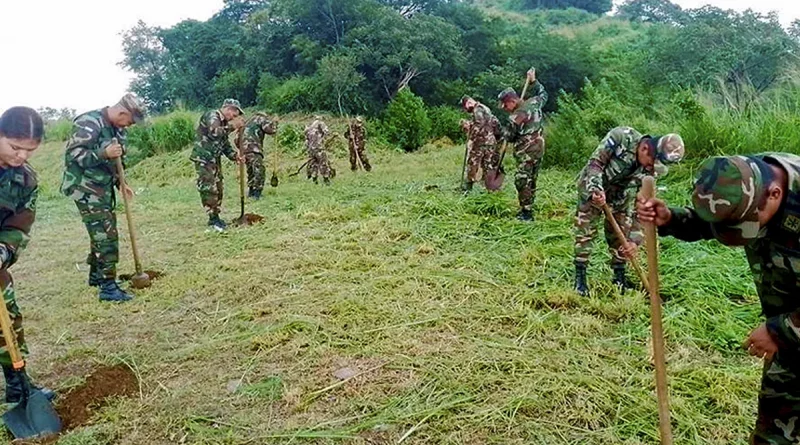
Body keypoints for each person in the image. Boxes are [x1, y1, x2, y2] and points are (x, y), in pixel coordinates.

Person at [637, 153, 800, 444]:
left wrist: (782, 330)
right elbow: (715, 221)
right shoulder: (740, 181)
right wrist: (673, 218)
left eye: (748, 223)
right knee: (775, 429)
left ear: (775, 195)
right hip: (790, 337)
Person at [573, 127, 684, 296]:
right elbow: (595, 164)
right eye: (651, 163)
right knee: (586, 231)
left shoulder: (649, 171)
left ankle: (619, 277)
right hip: (592, 186)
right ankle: (580, 278)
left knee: (622, 234)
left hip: (620, 195)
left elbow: (644, 207)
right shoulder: (621, 137)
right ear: (645, 148)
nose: (651, 168)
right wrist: (596, 188)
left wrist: (634, 241)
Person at [61, 93, 146, 302]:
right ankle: (108, 288)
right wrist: (103, 153)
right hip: (85, 187)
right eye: (130, 121)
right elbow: (73, 155)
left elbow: (117, 162)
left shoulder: (119, 129)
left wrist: (121, 182)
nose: (129, 126)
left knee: (99, 232)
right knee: (106, 235)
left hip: (103, 187)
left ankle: (97, 277)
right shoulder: (89, 122)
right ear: (122, 112)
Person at [0, 106, 54, 402]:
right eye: (15, 147)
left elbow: (19, 227)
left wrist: (3, 251)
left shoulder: (26, 180)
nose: (21, 156)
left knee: (7, 317)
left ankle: (18, 385)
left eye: (29, 151)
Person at [498, 68, 548, 221]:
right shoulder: (534, 102)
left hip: (526, 151)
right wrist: (534, 81)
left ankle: (526, 213)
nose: (505, 109)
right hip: (539, 148)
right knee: (532, 178)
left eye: (505, 106)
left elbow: (511, 137)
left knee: (522, 179)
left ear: (512, 101)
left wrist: (505, 133)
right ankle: (529, 206)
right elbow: (544, 94)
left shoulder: (516, 116)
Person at [191, 99, 245, 231]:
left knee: (219, 187)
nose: (234, 118)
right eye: (234, 114)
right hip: (204, 158)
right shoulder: (212, 115)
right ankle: (212, 219)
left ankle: (216, 216)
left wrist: (234, 156)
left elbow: (225, 143)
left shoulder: (223, 123)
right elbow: (214, 132)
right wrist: (234, 126)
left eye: (236, 116)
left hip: (214, 159)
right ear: (228, 109)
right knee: (209, 188)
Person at [460, 96, 501, 194]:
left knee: (472, 163)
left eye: (465, 107)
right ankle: (490, 190)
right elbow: (494, 123)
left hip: (480, 142)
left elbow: (479, 125)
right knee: (487, 165)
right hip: (490, 142)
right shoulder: (485, 108)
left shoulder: (477, 109)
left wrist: (471, 139)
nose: (466, 110)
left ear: (469, 102)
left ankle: (467, 188)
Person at [238, 112, 277, 199]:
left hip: (244, 149)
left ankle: (251, 190)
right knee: (259, 170)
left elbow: (237, 137)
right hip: (254, 148)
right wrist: (274, 124)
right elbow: (270, 130)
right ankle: (257, 192)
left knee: (250, 170)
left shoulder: (248, 121)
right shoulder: (261, 119)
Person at [305, 118, 333, 185]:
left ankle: (314, 179)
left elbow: (306, 140)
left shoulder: (309, 128)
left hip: (311, 149)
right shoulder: (320, 125)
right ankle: (326, 179)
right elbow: (327, 132)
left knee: (314, 164)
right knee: (323, 163)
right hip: (318, 148)